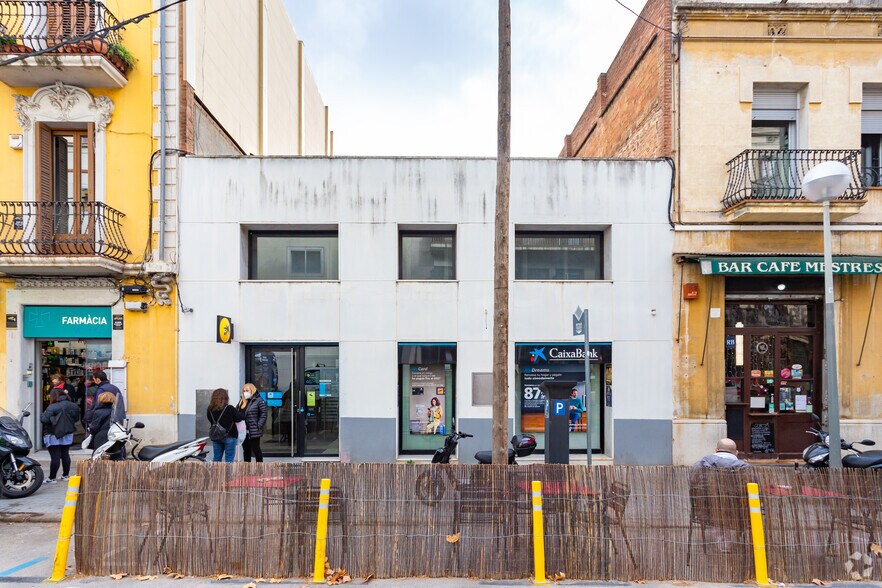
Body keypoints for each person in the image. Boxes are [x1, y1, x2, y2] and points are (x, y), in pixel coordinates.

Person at [40, 389, 80, 484]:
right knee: (65, 454)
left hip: (53, 433)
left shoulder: (52, 407)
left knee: (55, 456)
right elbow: (76, 418)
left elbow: (44, 420)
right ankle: (65, 475)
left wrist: (43, 415)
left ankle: (52, 478)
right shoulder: (73, 405)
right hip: (67, 432)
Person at [207, 388, 243, 462]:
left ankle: (216, 473)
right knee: (229, 459)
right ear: (226, 397)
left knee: (216, 458)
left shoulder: (210, 409)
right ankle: (228, 474)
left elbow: (210, 419)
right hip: (229, 436)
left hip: (216, 436)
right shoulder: (229, 408)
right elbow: (238, 419)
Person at [239, 383, 268, 462]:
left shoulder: (259, 400)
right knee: (246, 450)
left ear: (252, 390)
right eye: (244, 391)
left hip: (254, 429)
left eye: (247, 390)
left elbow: (264, 414)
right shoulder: (242, 401)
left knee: (256, 450)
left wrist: (259, 425)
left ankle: (259, 469)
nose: (245, 392)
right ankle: (247, 469)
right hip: (244, 430)